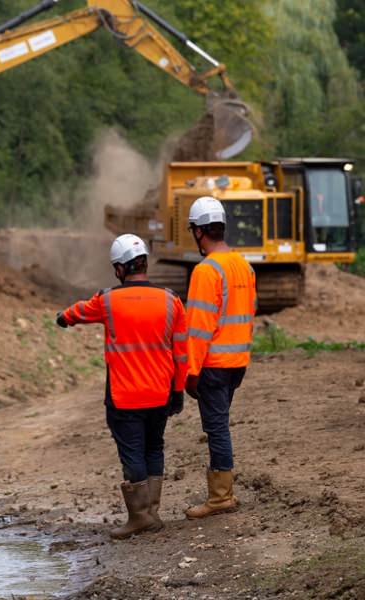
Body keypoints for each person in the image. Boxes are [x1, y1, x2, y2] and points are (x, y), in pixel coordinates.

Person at [56, 234, 188, 539]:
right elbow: (181, 351)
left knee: (132, 454)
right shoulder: (171, 300)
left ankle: (140, 517)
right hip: (160, 393)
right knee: (154, 447)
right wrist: (178, 390)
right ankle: (151, 511)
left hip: (124, 396)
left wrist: (63, 318)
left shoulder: (107, 300)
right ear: (143, 263)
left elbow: (78, 312)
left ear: (120, 268)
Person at [184, 196, 257, 519]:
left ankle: (220, 497)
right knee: (220, 425)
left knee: (217, 429)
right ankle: (221, 492)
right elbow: (249, 312)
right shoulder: (243, 264)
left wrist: (191, 371)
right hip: (237, 362)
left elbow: (199, 328)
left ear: (199, 232)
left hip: (213, 365)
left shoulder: (206, 270)